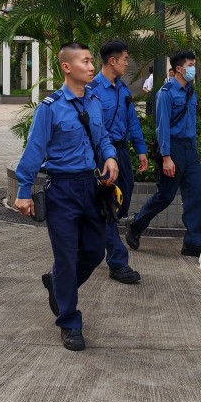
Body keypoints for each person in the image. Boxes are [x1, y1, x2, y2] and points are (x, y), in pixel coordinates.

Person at [14, 42, 119, 351]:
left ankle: (57, 283)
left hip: (91, 187)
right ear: (66, 67)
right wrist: (24, 191)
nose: (91, 66)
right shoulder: (51, 108)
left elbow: (102, 139)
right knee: (65, 256)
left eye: (91, 60)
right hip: (61, 189)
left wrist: (110, 157)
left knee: (94, 252)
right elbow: (34, 151)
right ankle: (69, 321)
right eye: (85, 61)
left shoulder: (95, 102)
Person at [126, 50, 201, 258]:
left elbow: (192, 124)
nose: (193, 69)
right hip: (173, 149)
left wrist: (194, 150)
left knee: (195, 194)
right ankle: (136, 225)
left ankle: (194, 243)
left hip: (189, 150)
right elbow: (162, 128)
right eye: (190, 65)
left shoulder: (191, 92)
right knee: (165, 196)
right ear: (179, 69)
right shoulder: (166, 93)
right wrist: (167, 157)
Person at [86, 40, 148, 285]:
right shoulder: (92, 89)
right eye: (124, 59)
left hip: (121, 152)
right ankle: (117, 261)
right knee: (109, 206)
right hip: (102, 154)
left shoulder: (123, 90)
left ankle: (97, 233)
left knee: (122, 200)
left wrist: (141, 150)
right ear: (112, 61)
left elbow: (132, 122)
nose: (126, 63)